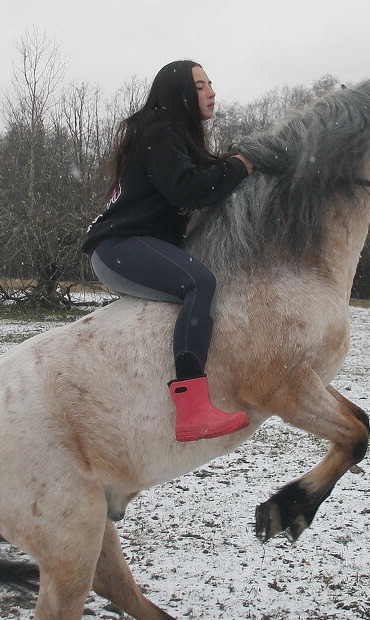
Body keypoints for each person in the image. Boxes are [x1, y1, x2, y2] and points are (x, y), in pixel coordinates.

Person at [83, 60, 253, 442]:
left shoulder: (177, 136)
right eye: (200, 85)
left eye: (211, 83)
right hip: (118, 247)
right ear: (179, 93)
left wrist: (233, 165)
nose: (211, 92)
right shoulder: (161, 132)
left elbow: (204, 178)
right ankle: (193, 408)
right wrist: (239, 168)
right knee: (200, 283)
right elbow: (189, 189)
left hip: (138, 245)